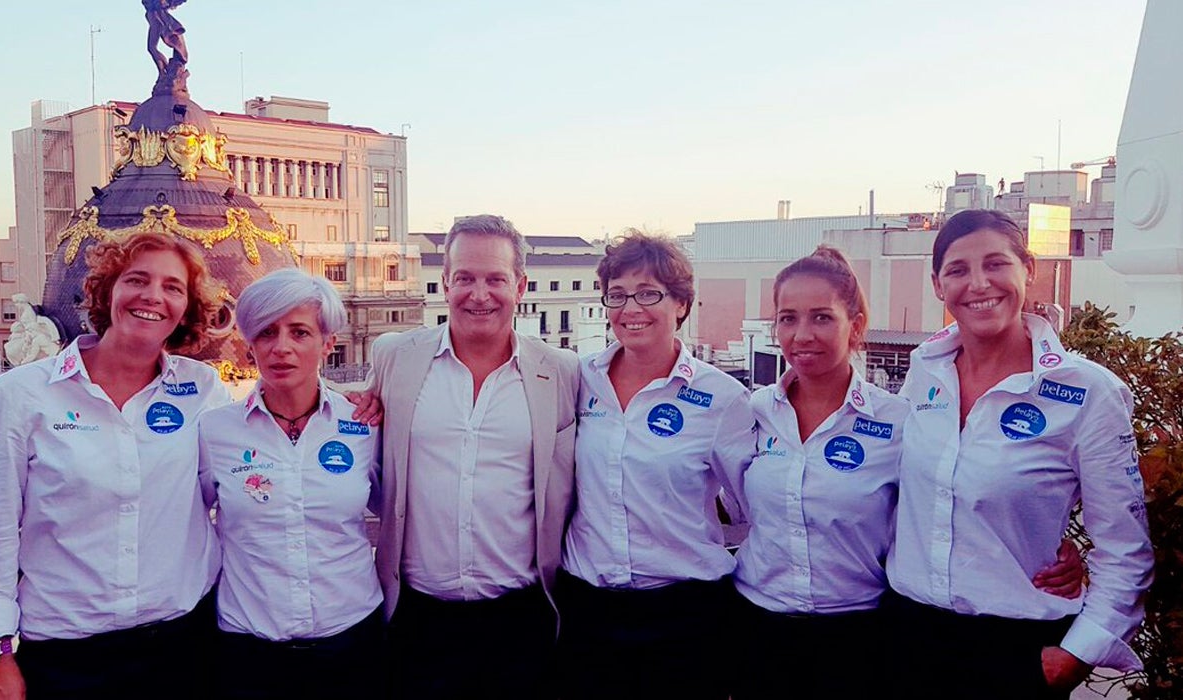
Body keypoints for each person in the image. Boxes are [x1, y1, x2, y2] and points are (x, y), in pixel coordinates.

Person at [728, 245, 1084, 699]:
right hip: (757, 631)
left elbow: (954, 498)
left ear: (856, 325)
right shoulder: (752, 412)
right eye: (787, 318)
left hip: (863, 638)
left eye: (822, 317)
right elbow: (714, 497)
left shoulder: (902, 420)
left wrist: (1050, 549)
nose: (802, 335)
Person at [886, 209, 1154, 699]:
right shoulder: (924, 372)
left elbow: (1125, 551)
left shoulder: (1087, 392)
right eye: (958, 270)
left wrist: (1074, 657)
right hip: (905, 637)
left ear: (1028, 269)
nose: (979, 284)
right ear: (937, 285)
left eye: (996, 264)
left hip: (1014, 652)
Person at [0, 232, 230, 700]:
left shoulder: (203, 390)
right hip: (65, 659)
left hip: (184, 648)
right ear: (107, 292)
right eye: (137, 280)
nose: (153, 296)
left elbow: (238, 485)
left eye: (172, 287)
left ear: (186, 308)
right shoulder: (20, 395)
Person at [367, 214, 580, 699]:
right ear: (445, 283)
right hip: (417, 619)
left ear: (520, 286)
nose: (478, 294)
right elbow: (365, 449)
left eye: (495, 279)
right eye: (464, 278)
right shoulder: (395, 356)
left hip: (521, 620)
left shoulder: (561, 370)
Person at [556, 231, 757, 700]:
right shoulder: (577, 379)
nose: (631, 308)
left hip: (684, 619)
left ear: (681, 304)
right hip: (587, 613)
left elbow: (756, 508)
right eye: (618, 294)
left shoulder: (722, 399)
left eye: (649, 293)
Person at [198, 269, 385, 699]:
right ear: (249, 345)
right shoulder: (214, 431)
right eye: (267, 332)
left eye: (299, 332)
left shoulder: (364, 425)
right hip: (250, 652)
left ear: (328, 343)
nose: (281, 347)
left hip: (353, 643)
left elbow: (397, 508)